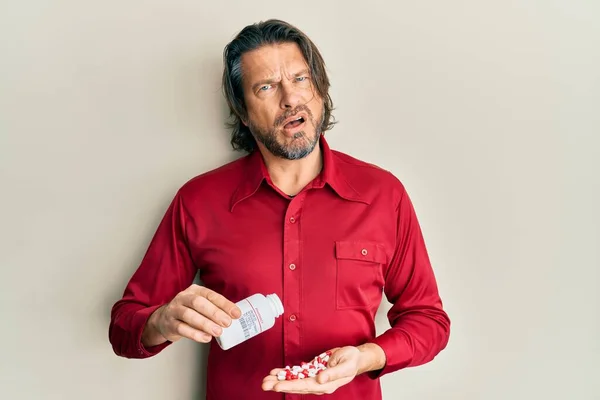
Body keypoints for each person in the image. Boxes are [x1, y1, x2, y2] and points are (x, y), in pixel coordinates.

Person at [109, 18, 450, 400]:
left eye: (301, 79)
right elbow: (124, 326)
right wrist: (161, 320)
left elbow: (429, 321)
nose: (290, 98)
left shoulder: (383, 195)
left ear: (320, 90)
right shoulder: (198, 200)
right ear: (242, 111)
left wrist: (367, 357)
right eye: (266, 87)